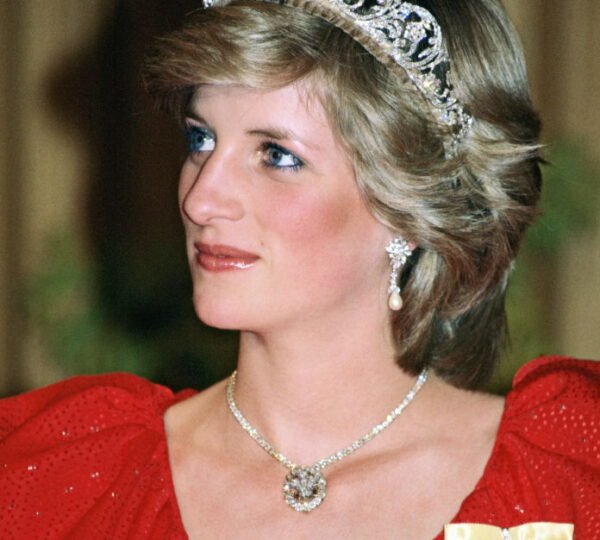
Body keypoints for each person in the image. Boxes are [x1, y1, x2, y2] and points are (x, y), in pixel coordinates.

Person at [1, 0, 598, 538]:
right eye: (201, 140)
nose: (201, 200)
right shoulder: (56, 474)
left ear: (413, 208)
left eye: (276, 155)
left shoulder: (570, 472)